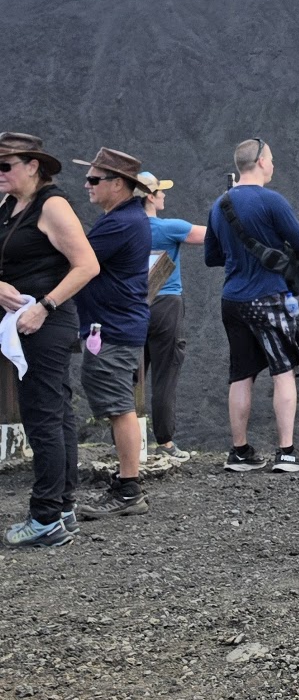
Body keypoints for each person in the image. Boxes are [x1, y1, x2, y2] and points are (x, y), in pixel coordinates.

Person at [0, 133, 100, 548]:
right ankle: (61, 507)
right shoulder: (9, 206)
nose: (0, 173)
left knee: (43, 416)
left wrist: (44, 305)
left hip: (43, 325)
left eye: (6, 165)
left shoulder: (52, 205)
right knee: (55, 413)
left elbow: (87, 265)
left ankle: (45, 517)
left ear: (32, 166)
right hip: (26, 325)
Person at [204, 139, 299, 473]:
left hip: (232, 299)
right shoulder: (271, 201)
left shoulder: (219, 204)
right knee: (283, 373)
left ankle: (239, 453)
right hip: (269, 298)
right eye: (272, 159)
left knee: (241, 374)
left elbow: (212, 256)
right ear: (261, 162)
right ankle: (286, 453)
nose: (273, 165)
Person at [72, 146, 155, 519]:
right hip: (115, 326)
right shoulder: (124, 218)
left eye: (94, 179)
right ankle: (126, 485)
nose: (86, 185)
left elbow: (78, 260)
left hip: (113, 329)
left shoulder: (121, 223)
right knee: (118, 404)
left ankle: (128, 489)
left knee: (120, 408)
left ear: (118, 184)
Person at [137, 170, 206, 463]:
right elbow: (212, 235)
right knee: (165, 377)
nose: (164, 194)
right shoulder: (170, 228)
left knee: (131, 376)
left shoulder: (122, 229)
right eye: (160, 191)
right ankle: (165, 443)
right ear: (150, 197)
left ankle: (131, 441)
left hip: (130, 308)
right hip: (166, 306)